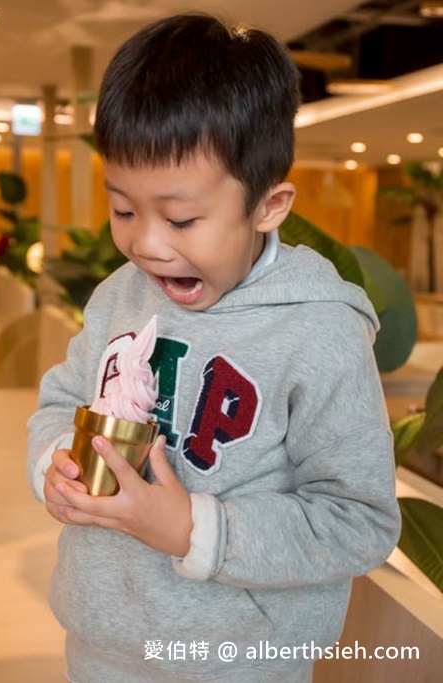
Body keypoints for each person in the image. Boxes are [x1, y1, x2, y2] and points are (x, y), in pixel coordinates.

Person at [27, 13, 400, 683]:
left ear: (269, 204)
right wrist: (53, 460)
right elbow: (61, 397)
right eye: (122, 209)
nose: (147, 243)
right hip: (100, 646)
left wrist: (195, 529)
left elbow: (358, 522)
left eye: (181, 218)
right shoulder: (119, 294)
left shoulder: (321, 331)